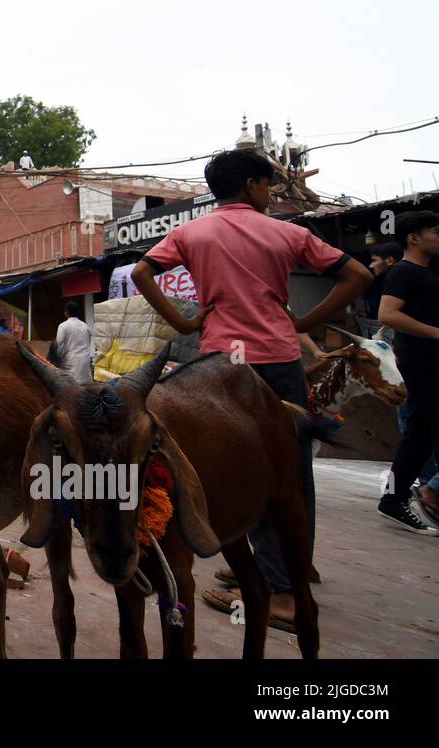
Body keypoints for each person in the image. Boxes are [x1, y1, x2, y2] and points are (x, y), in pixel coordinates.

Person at [131, 147, 372, 630]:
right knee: (289, 468)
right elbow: (358, 275)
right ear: (252, 186)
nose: (269, 192)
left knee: (231, 465)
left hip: (221, 368)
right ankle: (287, 577)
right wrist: (305, 320)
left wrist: (183, 321)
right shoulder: (288, 231)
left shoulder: (190, 232)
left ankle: (281, 581)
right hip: (280, 361)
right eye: (268, 185)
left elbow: (141, 274)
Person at [377, 210, 439, 533]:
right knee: (424, 433)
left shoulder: (428, 274)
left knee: (419, 437)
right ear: (413, 237)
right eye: (435, 231)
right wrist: (435, 333)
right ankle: (425, 495)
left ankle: (393, 498)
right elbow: (387, 314)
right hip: (422, 365)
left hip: (429, 364)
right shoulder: (403, 272)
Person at [53, 301, 94, 384]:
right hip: (85, 367)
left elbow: (59, 347)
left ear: (66, 312)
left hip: (71, 366)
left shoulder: (63, 326)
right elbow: (89, 344)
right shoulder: (85, 326)